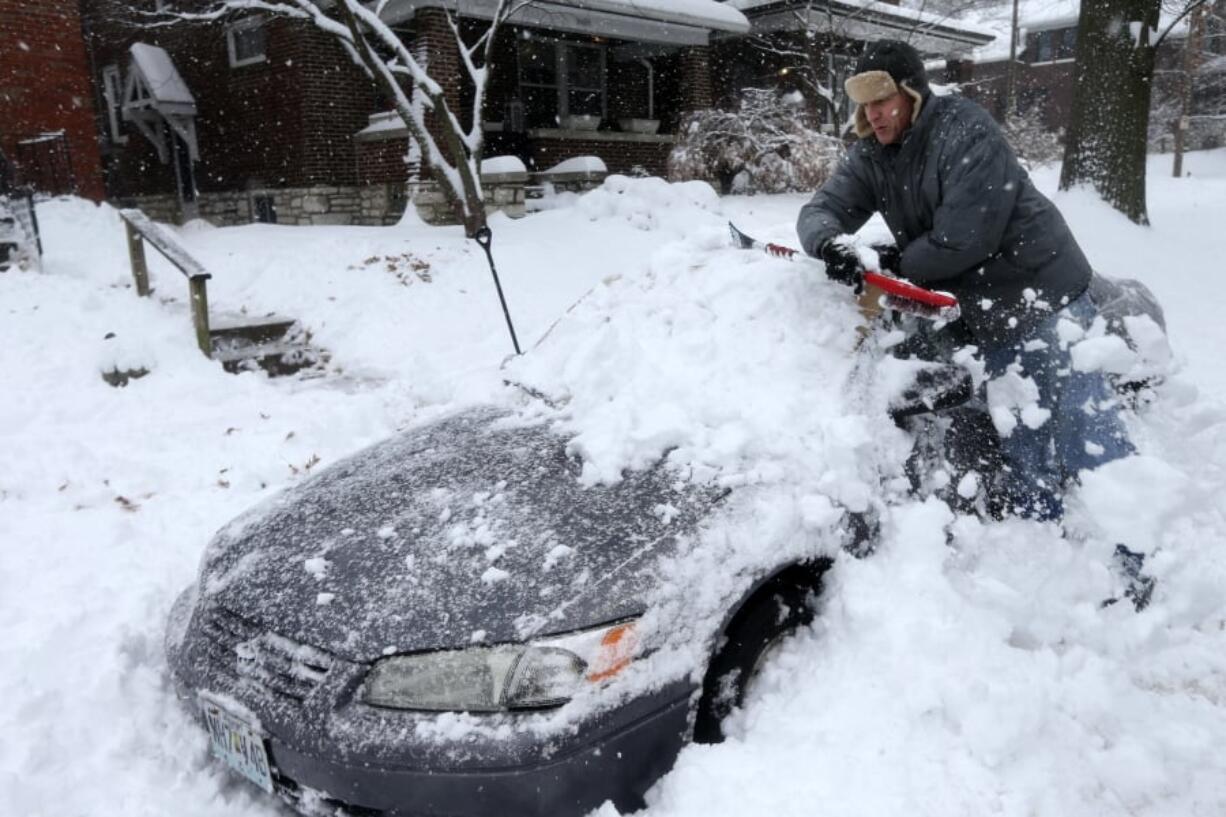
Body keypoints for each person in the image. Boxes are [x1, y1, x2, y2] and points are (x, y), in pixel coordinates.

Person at [797, 39, 1134, 524]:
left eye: (882, 101)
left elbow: (963, 240)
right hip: (987, 309)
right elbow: (821, 210)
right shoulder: (872, 154)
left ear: (912, 94)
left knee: (1086, 431)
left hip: (1044, 292)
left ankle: (1137, 549)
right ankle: (1040, 532)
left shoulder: (964, 130)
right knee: (1024, 427)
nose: (872, 115)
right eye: (864, 104)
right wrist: (830, 244)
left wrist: (895, 262)